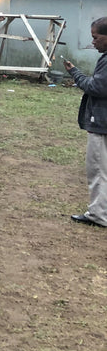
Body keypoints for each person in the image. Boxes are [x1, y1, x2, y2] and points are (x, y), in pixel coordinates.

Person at [64, 16, 107, 227]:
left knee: (98, 169)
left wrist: (75, 73)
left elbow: (96, 87)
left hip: (102, 123)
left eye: (96, 37)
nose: (93, 42)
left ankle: (98, 215)